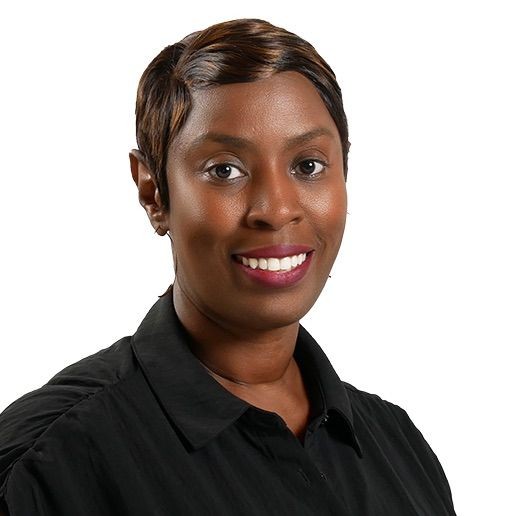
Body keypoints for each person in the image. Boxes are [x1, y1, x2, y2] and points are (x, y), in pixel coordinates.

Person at [0, 18, 456, 515]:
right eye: (225, 170)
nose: (277, 209)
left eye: (308, 165)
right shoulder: (50, 463)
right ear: (154, 193)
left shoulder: (398, 446)